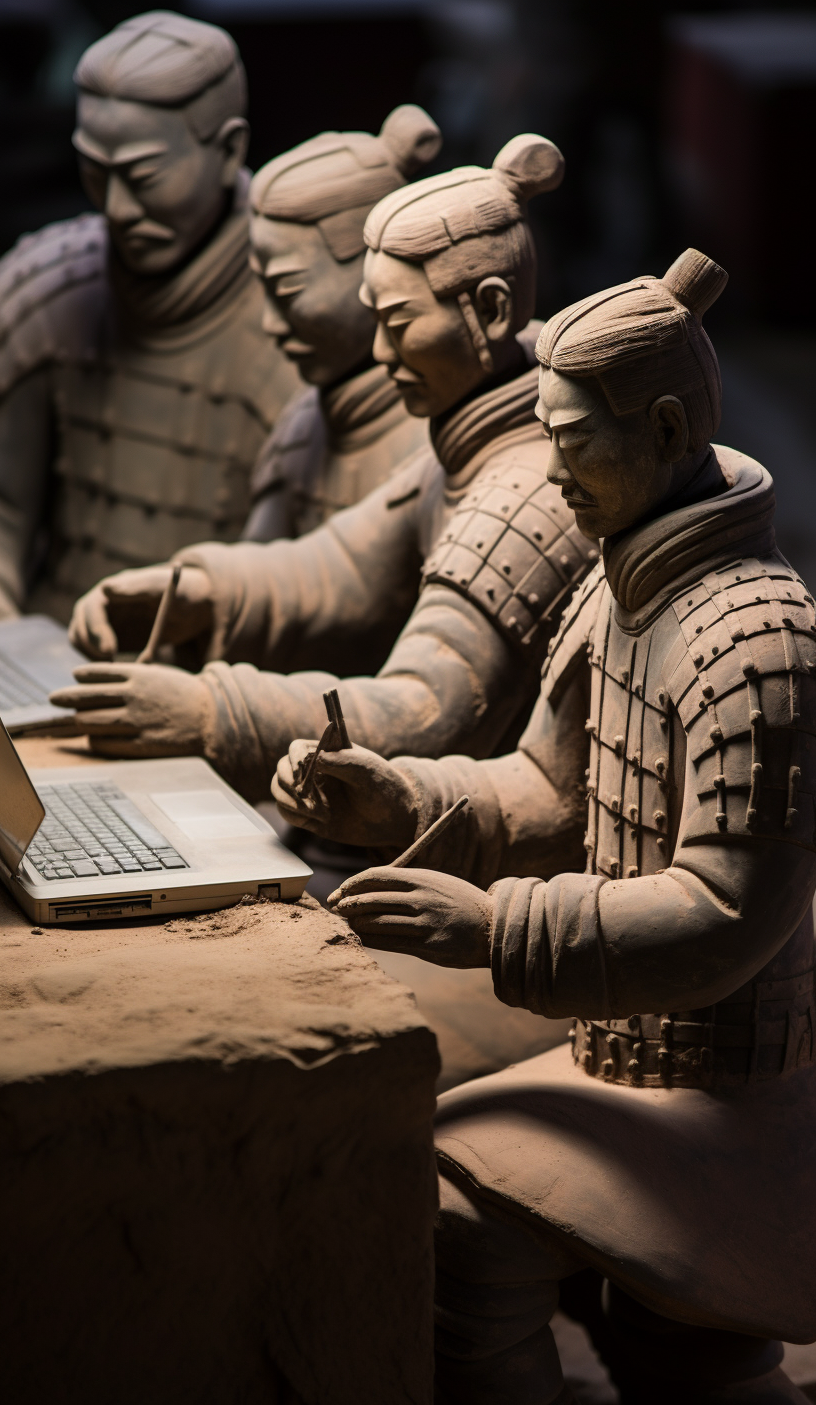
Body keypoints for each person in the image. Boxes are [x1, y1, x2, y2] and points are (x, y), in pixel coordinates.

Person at [276, 249, 816, 1405]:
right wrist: (397, 794)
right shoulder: (619, 578)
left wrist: (494, 931)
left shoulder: (756, 644)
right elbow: (541, 785)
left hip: (724, 1095)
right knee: (672, 1357)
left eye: (573, 443)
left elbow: (726, 914)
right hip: (623, 1048)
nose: (551, 471)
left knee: (498, 1240)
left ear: (667, 426)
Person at [59, 134, 598, 809]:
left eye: (398, 324)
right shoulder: (467, 440)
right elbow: (338, 568)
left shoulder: (524, 487)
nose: (378, 351)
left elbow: (430, 706)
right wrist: (198, 592)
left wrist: (208, 712)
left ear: (489, 311)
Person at [0, 10, 300, 622]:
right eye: (94, 172)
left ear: (230, 149)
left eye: (142, 176)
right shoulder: (45, 291)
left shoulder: (301, 324)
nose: (115, 208)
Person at [243, 105, 441, 541]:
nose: (271, 324)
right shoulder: (303, 426)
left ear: (373, 266)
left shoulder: (442, 441)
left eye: (288, 291)